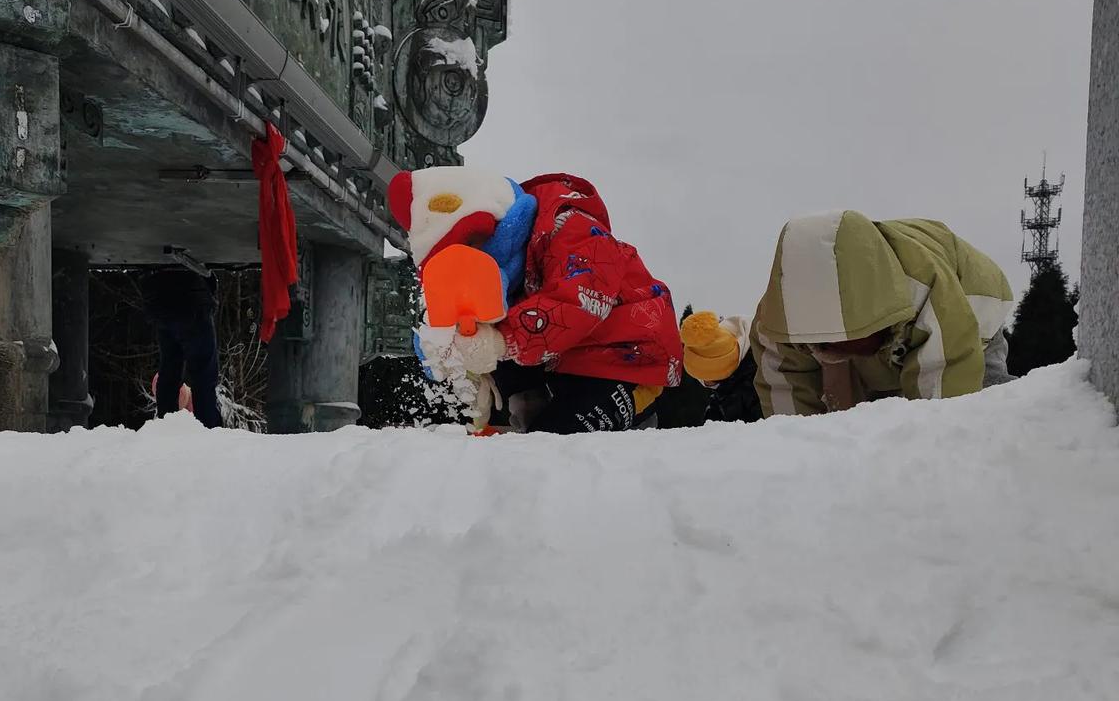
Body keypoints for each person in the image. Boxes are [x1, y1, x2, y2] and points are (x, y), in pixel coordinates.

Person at [388, 167, 683, 434]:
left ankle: (600, 417)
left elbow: (577, 302)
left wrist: (499, 342)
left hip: (626, 359)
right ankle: (531, 410)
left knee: (559, 441)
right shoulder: (511, 270)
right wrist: (471, 363)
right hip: (566, 357)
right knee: (496, 339)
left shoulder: (573, 228)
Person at [750, 212, 1013, 417]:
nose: (834, 351)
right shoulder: (778, 318)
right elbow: (788, 404)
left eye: (845, 344)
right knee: (851, 416)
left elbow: (945, 412)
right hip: (877, 324)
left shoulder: (929, 291)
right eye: (825, 345)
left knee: (979, 407)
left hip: (968, 313)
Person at [140, 263, 222, 428]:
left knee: (169, 368)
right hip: (193, 297)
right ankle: (209, 430)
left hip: (161, 298)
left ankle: (167, 425)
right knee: (203, 372)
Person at [679, 312, 762, 423]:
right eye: (702, 380)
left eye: (710, 380)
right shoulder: (730, 379)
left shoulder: (753, 382)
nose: (706, 384)